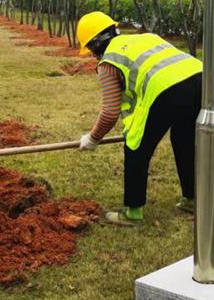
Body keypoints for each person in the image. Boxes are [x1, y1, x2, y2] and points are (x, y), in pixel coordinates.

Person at [75, 11, 203, 225]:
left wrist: (93, 138)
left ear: (95, 45)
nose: (92, 54)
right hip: (201, 79)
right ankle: (192, 199)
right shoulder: (145, 37)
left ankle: (132, 213)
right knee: (183, 139)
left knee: (136, 147)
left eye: (90, 49)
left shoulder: (109, 62)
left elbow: (109, 112)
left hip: (166, 90)